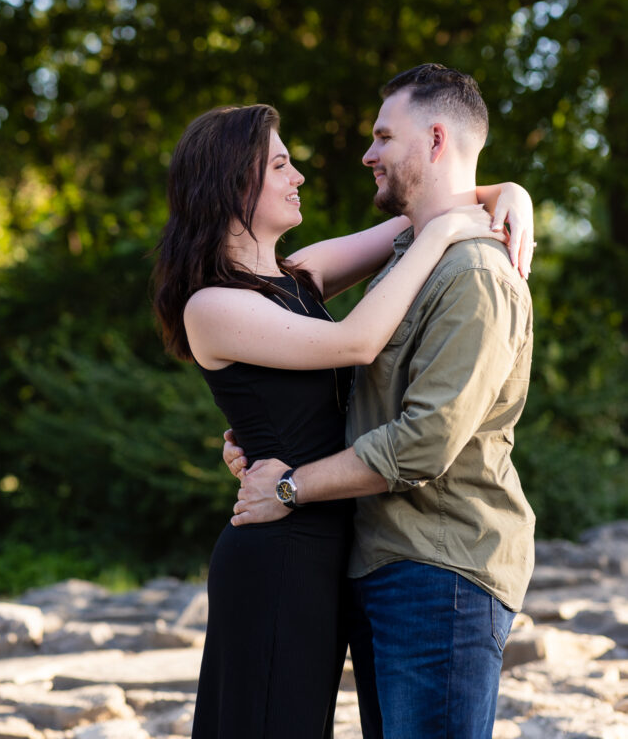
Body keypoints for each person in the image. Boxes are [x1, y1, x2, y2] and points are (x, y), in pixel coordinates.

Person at [152, 98, 533, 739]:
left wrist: (512, 191)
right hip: (277, 547)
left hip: (332, 545)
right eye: (279, 164)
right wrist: (442, 235)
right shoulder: (211, 306)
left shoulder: (302, 274)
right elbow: (357, 341)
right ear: (229, 183)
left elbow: (433, 205)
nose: (297, 176)